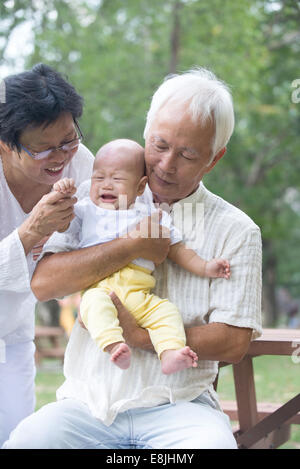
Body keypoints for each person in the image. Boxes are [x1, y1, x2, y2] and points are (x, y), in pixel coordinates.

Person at [3, 67, 262, 449]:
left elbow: (233, 342)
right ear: (144, 134)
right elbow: (42, 284)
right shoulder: (97, 197)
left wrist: (139, 336)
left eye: (187, 154)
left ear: (214, 158)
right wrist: (129, 245)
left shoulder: (235, 230)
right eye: (158, 145)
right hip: (87, 405)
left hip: (180, 407)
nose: (166, 164)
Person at [0, 64, 167, 446]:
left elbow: (136, 214)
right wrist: (28, 235)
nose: (60, 157)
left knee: (15, 437)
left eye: (68, 139)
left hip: (11, 333)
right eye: (43, 148)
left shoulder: (84, 164)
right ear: (5, 143)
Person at [52, 139, 230, 374]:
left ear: (139, 187)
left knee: (167, 312)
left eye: (116, 179)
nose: (106, 185)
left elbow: (176, 249)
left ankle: (169, 353)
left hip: (140, 296)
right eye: (98, 177)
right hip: (101, 290)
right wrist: (61, 195)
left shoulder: (151, 217)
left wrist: (205, 267)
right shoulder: (86, 209)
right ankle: (115, 345)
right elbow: (62, 225)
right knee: (92, 305)